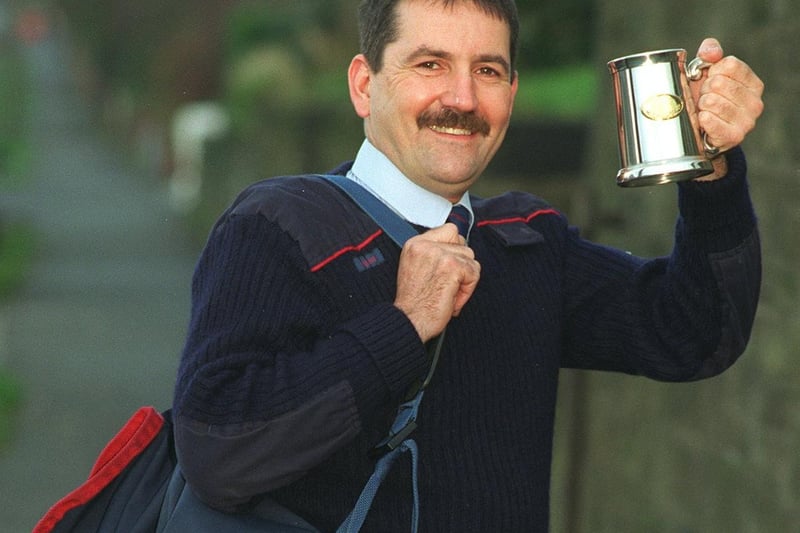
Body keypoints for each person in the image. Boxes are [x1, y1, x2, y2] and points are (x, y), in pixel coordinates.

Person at [171, 0, 765, 531]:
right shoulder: (279, 225)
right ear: (363, 84)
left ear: (511, 91)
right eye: (429, 64)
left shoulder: (524, 242)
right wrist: (404, 326)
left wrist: (711, 173)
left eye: (487, 70)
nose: (461, 98)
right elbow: (218, 454)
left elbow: (695, 334)